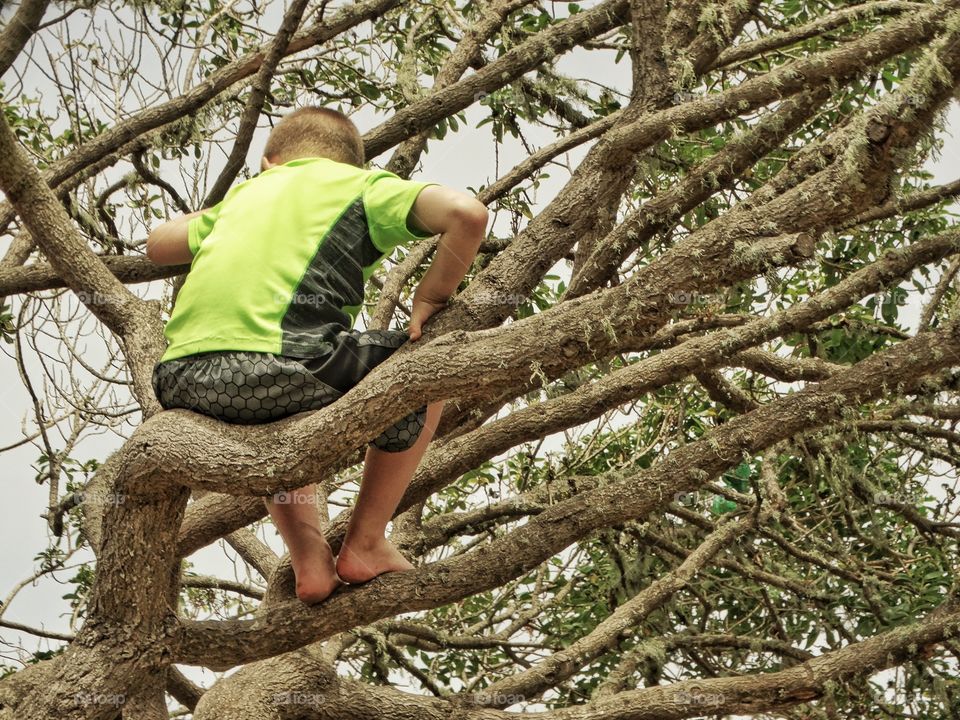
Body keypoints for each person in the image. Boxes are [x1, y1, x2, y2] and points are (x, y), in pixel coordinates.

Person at [146, 107, 487, 603]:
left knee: (280, 426)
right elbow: (467, 214)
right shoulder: (362, 186)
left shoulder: (243, 197)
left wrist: (241, 203)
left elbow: (158, 244)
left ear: (269, 162)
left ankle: (310, 560)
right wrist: (431, 297)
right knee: (427, 368)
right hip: (282, 368)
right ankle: (366, 541)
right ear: (353, 164)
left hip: (180, 382)